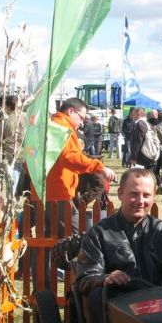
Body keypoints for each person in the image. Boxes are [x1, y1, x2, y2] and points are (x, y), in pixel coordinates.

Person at [75, 168, 162, 323]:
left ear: (154, 196)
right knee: (97, 295)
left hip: (159, 305)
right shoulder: (98, 233)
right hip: (118, 305)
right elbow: (85, 278)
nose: (140, 201)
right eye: (134, 194)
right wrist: (106, 279)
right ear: (120, 194)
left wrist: (158, 295)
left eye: (146, 195)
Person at [43, 98, 116, 236]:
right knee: (75, 237)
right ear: (70, 111)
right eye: (81, 117)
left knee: (49, 238)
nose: (82, 122)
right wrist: (99, 167)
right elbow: (70, 157)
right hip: (58, 192)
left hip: (44, 192)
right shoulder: (63, 130)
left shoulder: (50, 126)